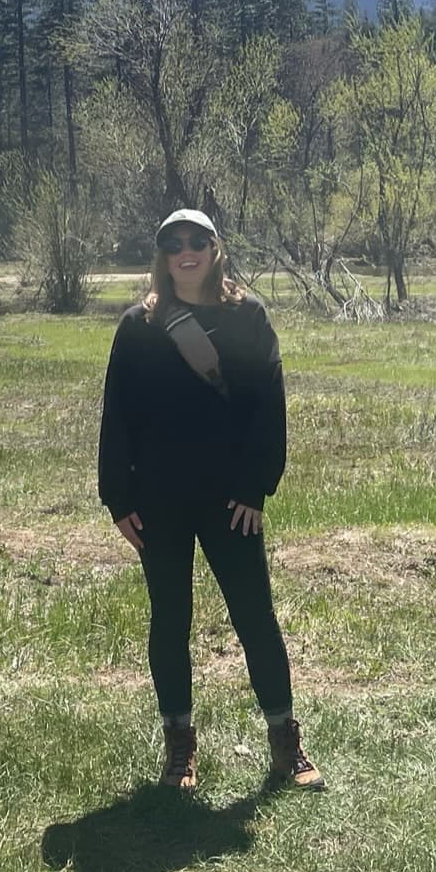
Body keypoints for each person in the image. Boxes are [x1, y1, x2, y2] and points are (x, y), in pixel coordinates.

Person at [96, 207, 323, 793]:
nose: (186, 251)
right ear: (162, 256)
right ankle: (179, 751)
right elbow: (116, 415)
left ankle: (285, 745)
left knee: (255, 618)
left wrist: (255, 487)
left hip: (230, 501)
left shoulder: (247, 316)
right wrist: (118, 497)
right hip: (158, 499)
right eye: (174, 243)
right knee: (170, 620)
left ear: (215, 248)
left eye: (197, 240)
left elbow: (267, 407)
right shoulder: (138, 327)